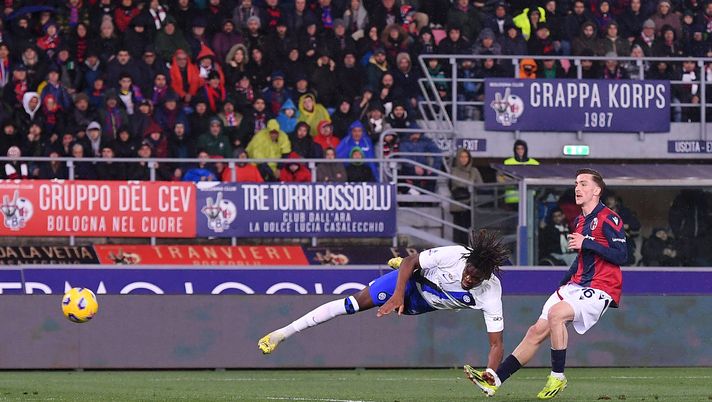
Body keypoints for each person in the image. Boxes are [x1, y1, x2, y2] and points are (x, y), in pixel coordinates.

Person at [465, 168, 627, 400]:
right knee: (535, 332)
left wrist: (587, 243)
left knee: (556, 314)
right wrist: (563, 284)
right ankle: (496, 380)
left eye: (583, 184)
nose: (577, 188)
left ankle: (558, 376)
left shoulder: (608, 218)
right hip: (576, 285)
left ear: (597, 190)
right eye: (576, 183)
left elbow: (622, 255)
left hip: (601, 287)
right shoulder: (581, 221)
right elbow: (581, 259)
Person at [258, 230, 510, 375]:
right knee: (352, 304)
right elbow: (413, 260)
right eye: (467, 272)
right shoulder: (454, 255)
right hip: (410, 282)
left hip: (422, 304)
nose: (468, 278)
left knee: (410, 271)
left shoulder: (490, 292)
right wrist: (398, 292)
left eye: (475, 278)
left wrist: (490, 375)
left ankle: (403, 271)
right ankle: (282, 333)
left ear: (486, 277)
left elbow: (496, 344)